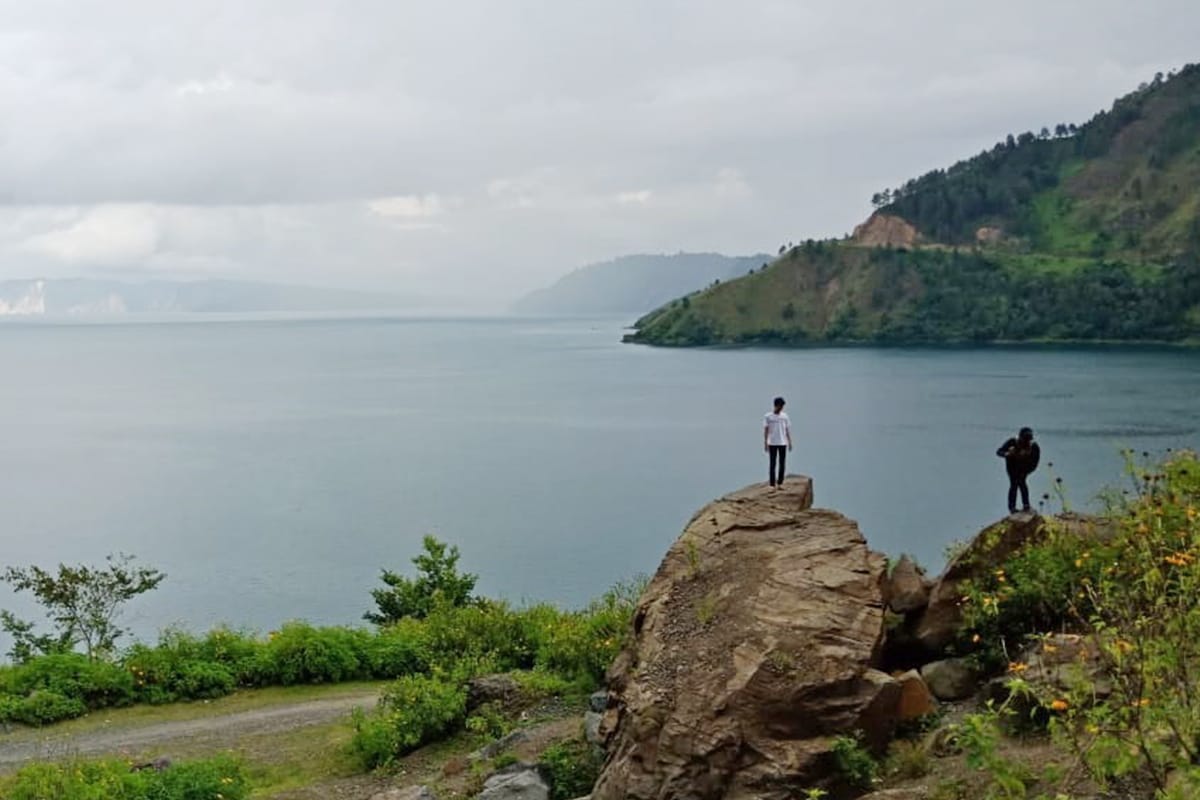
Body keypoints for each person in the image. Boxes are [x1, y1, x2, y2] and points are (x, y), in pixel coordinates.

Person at [996, 427, 1040, 513]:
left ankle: (1026, 505)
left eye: (1027, 440)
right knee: (1014, 485)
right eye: (1024, 439)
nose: (1025, 442)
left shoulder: (1033, 447)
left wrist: (1028, 469)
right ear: (1020, 437)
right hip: (1012, 468)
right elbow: (999, 452)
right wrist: (1007, 454)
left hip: (1024, 469)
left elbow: (1035, 462)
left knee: (1022, 483)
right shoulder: (1012, 442)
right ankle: (1012, 507)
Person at [763, 396, 793, 488]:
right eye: (780, 406)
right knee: (772, 463)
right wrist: (765, 442)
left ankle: (780, 482)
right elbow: (766, 430)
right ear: (776, 405)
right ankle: (772, 483)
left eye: (782, 406)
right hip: (772, 442)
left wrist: (790, 441)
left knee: (782, 463)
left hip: (783, 442)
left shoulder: (785, 416)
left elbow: (787, 429)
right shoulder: (768, 416)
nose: (781, 408)